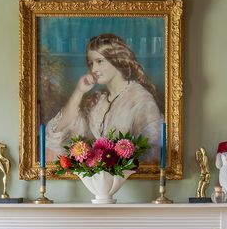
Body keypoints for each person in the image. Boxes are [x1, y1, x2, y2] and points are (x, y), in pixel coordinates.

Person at [45, 33, 164, 161]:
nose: (94, 69)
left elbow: (152, 155)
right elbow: (60, 131)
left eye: (99, 61)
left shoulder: (141, 100)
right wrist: (79, 91)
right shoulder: (98, 100)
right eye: (90, 64)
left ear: (116, 59)